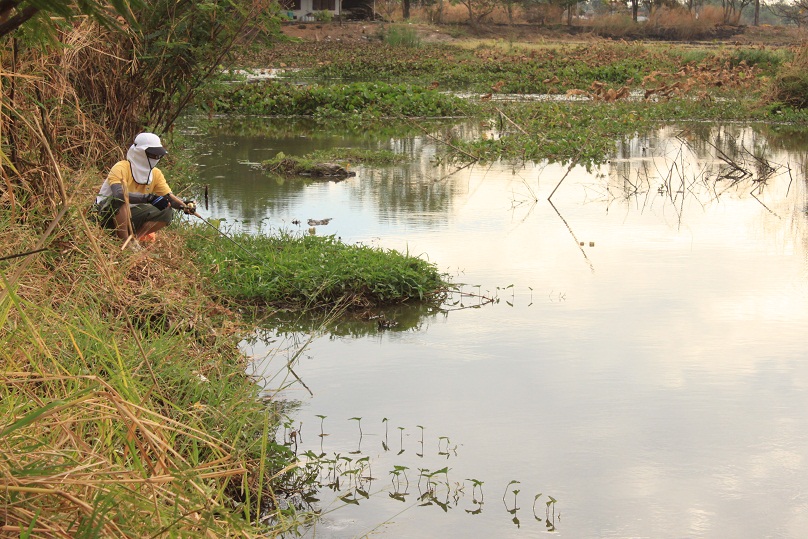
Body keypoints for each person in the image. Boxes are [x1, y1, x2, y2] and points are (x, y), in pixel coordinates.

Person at [94, 132, 195, 243]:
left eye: (158, 155)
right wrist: (149, 198)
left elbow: (170, 198)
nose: (156, 158)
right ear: (139, 153)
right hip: (105, 216)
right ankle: (123, 242)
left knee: (167, 210)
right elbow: (119, 195)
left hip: (130, 216)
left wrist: (184, 205)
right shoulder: (121, 167)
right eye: (153, 155)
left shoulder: (155, 174)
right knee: (121, 200)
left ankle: (133, 240)